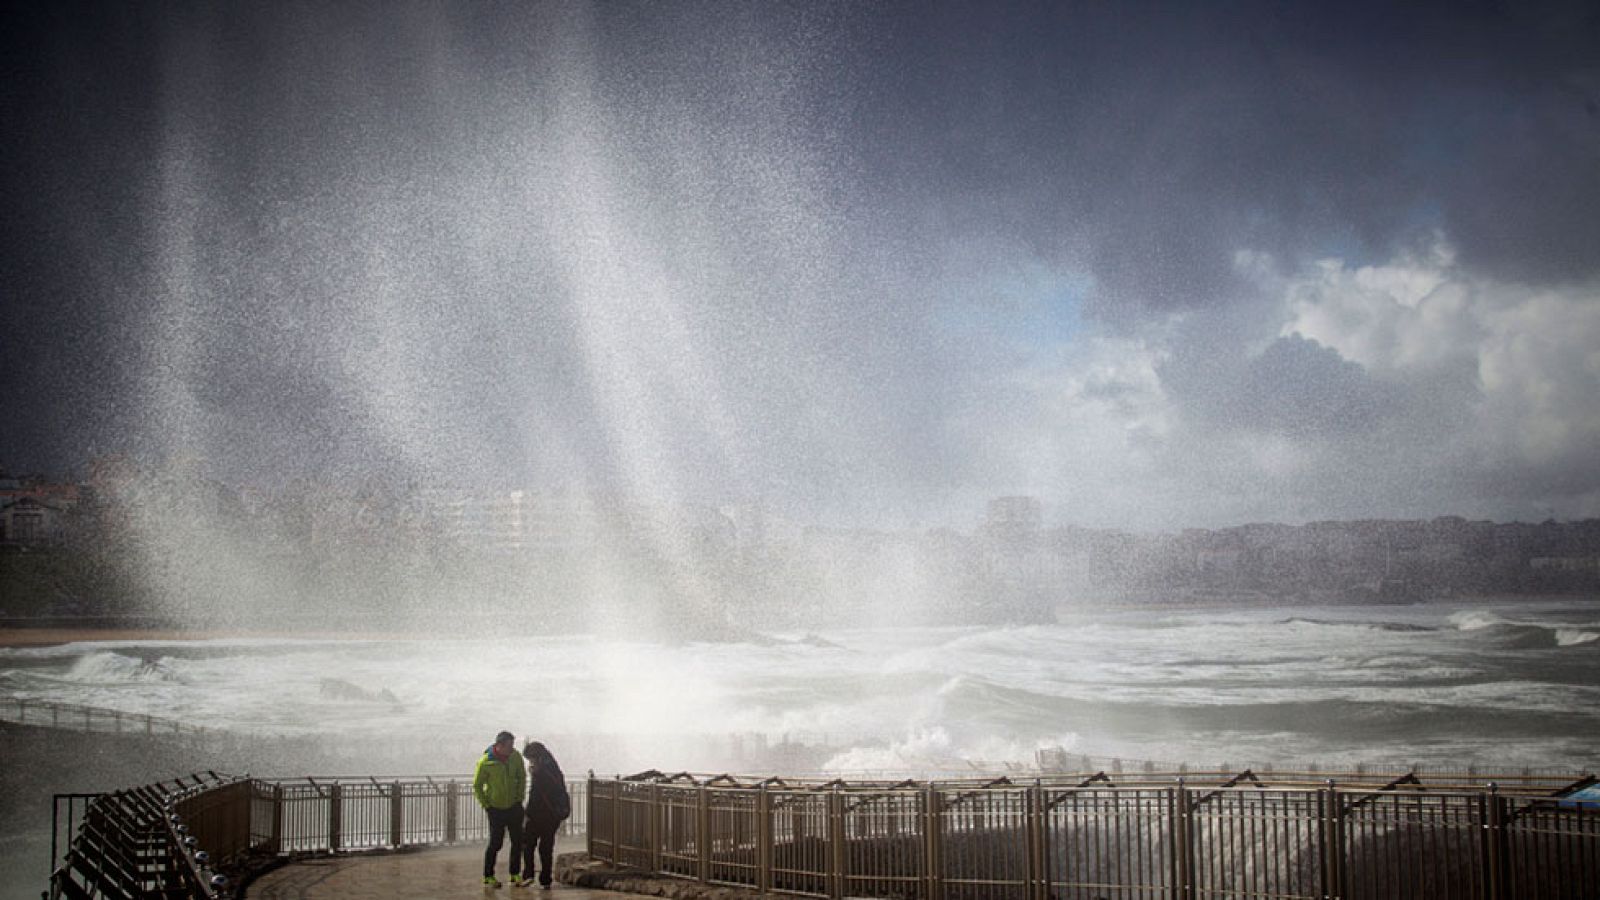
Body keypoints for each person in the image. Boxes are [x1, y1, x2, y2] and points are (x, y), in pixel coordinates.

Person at [474, 730, 527, 888]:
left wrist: (519, 798)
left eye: (513, 745)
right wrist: (487, 805)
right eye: (509, 745)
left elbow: (522, 777)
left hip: (514, 806)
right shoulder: (486, 762)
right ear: (499, 746)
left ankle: (515, 874)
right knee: (496, 843)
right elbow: (477, 785)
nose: (512, 748)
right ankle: (488, 875)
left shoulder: (515, 757)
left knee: (517, 841)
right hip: (496, 809)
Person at [520, 741, 571, 890]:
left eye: (530, 759)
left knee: (528, 844)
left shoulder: (542, 770)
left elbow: (536, 795)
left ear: (535, 756)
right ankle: (545, 879)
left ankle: (529, 874)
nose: (530, 762)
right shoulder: (552, 767)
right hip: (552, 816)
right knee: (546, 847)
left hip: (540, 815)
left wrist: (527, 813)